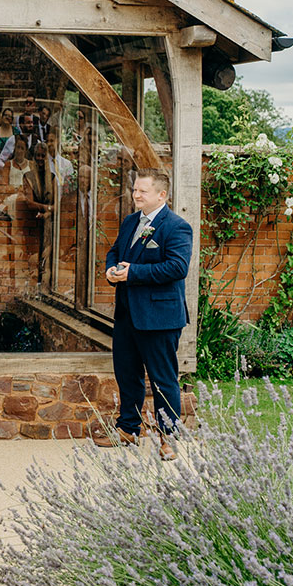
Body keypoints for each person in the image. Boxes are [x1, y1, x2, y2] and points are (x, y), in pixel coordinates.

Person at [94, 169, 192, 462]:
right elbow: (114, 252)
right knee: (127, 375)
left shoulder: (176, 227)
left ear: (162, 195)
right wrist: (112, 270)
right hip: (127, 315)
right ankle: (128, 430)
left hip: (159, 317)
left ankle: (169, 438)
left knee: (163, 380)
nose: (136, 195)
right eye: (135, 190)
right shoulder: (129, 222)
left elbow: (177, 268)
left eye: (143, 191)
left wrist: (131, 272)